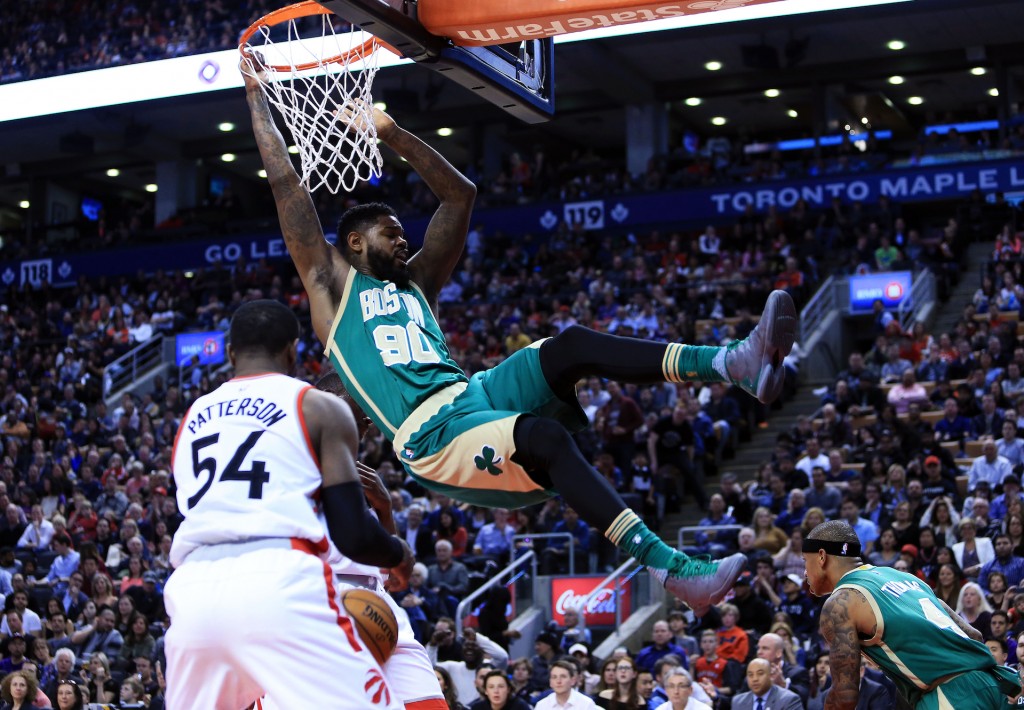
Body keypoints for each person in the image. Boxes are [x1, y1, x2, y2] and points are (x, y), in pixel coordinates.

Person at [242, 57, 796, 610]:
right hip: (430, 437)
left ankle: (733, 364)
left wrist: (394, 135)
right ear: (356, 245)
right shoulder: (332, 289)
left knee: (573, 344)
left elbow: (460, 195)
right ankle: (672, 569)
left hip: (473, 394)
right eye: (391, 234)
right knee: (546, 439)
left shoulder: (418, 284)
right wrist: (257, 94)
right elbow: (286, 184)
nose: (404, 241)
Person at [162, 300, 410, 709]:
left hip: (193, 592)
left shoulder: (190, 419)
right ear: (294, 350)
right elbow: (353, 534)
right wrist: (399, 554)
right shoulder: (320, 407)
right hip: (277, 581)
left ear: (229, 353)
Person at [801, 519, 1021, 708]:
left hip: (953, 697)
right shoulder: (905, 578)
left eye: (805, 561)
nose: (804, 572)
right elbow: (973, 635)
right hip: (998, 684)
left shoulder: (840, 603)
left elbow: (845, 696)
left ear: (821, 556)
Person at [728, 659, 802, 710]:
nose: (755, 679)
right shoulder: (738, 701)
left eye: (760, 674)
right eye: (750, 675)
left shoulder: (788, 700)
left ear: (770, 675)